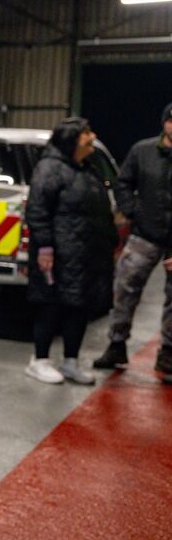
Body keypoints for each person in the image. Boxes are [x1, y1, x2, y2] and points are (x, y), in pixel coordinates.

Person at [23, 117, 117, 385]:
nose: (92, 136)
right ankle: (39, 360)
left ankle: (70, 361)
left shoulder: (87, 169)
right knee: (50, 304)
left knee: (79, 306)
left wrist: (109, 243)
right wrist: (45, 247)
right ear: (71, 139)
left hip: (85, 254)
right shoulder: (50, 168)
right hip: (59, 253)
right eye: (86, 133)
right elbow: (38, 211)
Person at [94, 102, 172, 381]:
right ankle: (116, 345)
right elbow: (123, 182)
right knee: (125, 288)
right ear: (164, 123)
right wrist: (132, 211)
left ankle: (168, 355)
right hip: (144, 235)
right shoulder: (142, 151)